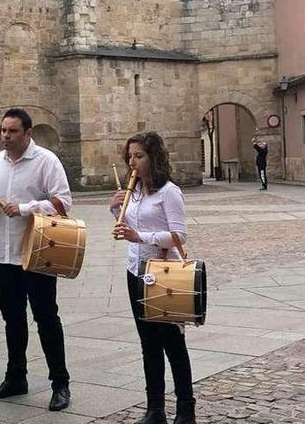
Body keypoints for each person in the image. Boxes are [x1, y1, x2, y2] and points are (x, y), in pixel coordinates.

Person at [0, 108, 72, 412]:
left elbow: (63, 202)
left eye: (12, 131)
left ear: (27, 133)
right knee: (12, 319)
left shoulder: (46, 161)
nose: (6, 136)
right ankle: (16, 377)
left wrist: (25, 207)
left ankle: (60, 383)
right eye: (3, 131)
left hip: (37, 253)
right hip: (3, 255)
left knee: (46, 318)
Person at [110, 132, 195, 424]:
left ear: (153, 158)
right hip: (136, 271)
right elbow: (129, 226)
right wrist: (115, 209)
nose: (132, 162)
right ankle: (155, 408)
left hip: (163, 274)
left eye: (139, 156)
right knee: (148, 343)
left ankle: (185, 409)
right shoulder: (135, 191)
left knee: (172, 343)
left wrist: (139, 235)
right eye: (130, 156)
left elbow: (178, 235)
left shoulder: (168, 192)